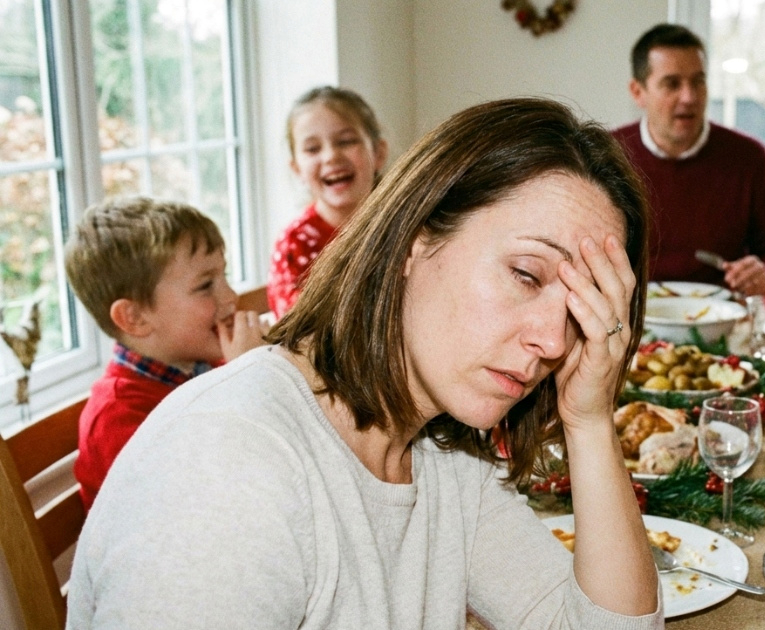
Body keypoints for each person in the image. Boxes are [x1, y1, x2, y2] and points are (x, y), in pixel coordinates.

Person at [67, 98, 662, 629]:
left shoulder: (440, 453)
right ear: (415, 239)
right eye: (526, 274)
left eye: (579, 311)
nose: (554, 343)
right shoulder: (227, 467)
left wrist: (589, 420)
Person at [64, 197, 268, 510]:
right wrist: (250, 382)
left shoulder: (203, 367)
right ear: (135, 318)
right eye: (205, 286)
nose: (230, 296)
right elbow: (219, 499)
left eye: (224, 276)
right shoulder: (117, 421)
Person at [612, 23, 765, 297]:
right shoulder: (606, 155)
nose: (689, 97)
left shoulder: (749, 158)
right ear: (638, 92)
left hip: (720, 322)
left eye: (698, 81)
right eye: (672, 84)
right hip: (630, 323)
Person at [267, 86, 389, 318]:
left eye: (346, 141)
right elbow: (301, 331)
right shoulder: (295, 245)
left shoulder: (405, 223)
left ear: (378, 153)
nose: (331, 156)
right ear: (297, 169)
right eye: (313, 149)